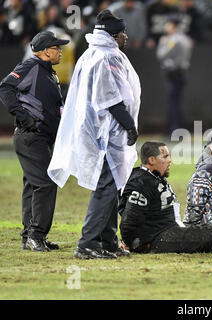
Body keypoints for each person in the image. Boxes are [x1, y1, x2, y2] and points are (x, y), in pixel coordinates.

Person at [47, 10, 140, 259]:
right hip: (103, 135)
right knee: (106, 188)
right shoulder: (104, 57)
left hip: (97, 131)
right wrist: (129, 125)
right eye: (122, 33)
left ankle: (108, 241)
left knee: (112, 187)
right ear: (112, 35)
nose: (125, 37)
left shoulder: (92, 54)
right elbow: (110, 99)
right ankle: (87, 243)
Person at [0, 31, 69, 252]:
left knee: (33, 185)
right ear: (45, 51)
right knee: (45, 184)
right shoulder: (30, 66)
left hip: (41, 137)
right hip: (31, 136)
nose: (60, 51)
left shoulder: (49, 72)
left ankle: (29, 236)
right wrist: (23, 116)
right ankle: (36, 235)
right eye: (57, 47)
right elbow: (5, 87)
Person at [156, 15, 193, 135]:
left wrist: (162, 43)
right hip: (181, 73)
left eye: (168, 24)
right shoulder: (185, 38)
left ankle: (174, 129)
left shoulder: (173, 40)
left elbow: (161, 55)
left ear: (173, 25)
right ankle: (176, 128)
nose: (166, 26)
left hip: (174, 73)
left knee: (173, 103)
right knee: (176, 102)